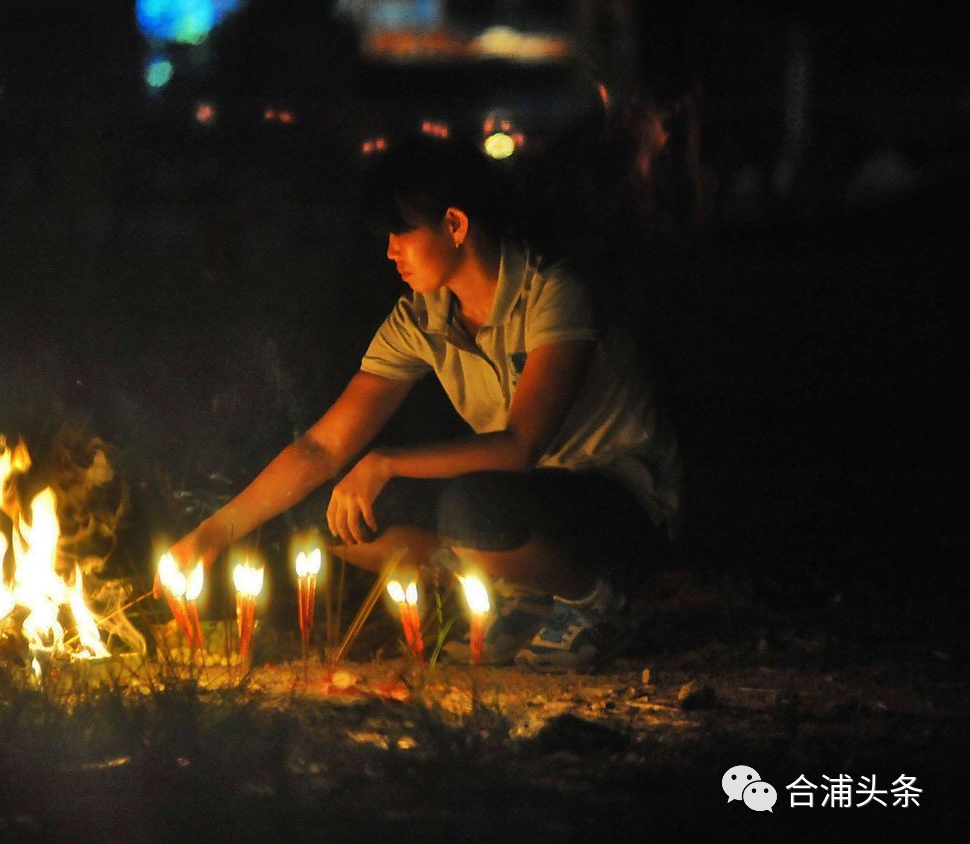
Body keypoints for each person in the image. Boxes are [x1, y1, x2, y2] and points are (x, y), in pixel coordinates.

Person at [169, 134, 683, 671]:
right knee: (328, 513)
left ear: (456, 225)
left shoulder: (553, 292)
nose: (390, 251)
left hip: (619, 509)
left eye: (401, 233)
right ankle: (522, 588)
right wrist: (211, 535)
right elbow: (322, 447)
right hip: (521, 501)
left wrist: (386, 462)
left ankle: (599, 602)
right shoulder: (422, 317)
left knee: (471, 507)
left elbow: (521, 447)